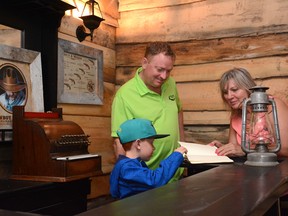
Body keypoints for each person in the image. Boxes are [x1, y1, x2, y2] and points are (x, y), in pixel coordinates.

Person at [111, 42, 185, 182]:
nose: (164, 76)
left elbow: (178, 111)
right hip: (146, 179)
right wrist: (129, 179)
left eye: (168, 71)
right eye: (159, 69)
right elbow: (118, 141)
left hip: (175, 170)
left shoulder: (171, 84)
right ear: (144, 63)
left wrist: (183, 146)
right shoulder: (125, 95)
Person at [209, 67, 288, 157]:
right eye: (225, 92)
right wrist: (224, 149)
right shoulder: (236, 114)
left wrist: (246, 150)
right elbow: (236, 149)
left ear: (248, 88)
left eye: (234, 90)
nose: (229, 96)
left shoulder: (273, 105)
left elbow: (286, 149)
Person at [110, 118, 187, 199]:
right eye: (151, 143)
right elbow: (154, 180)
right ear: (138, 144)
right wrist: (176, 156)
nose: (154, 148)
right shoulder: (127, 168)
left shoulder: (131, 164)